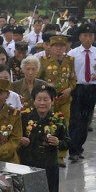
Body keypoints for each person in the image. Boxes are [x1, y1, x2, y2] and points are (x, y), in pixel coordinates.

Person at [19, 85, 69, 192]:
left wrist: (58, 142)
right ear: (34, 101)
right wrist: (20, 141)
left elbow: (67, 142)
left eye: (46, 100)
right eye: (39, 99)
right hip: (28, 164)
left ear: (52, 101)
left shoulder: (58, 120)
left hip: (49, 165)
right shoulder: (25, 117)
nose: (42, 103)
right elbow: (15, 137)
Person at [67, 23, 96, 161]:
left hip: (92, 88)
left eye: (90, 35)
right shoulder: (72, 53)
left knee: (85, 119)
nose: (88, 38)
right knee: (75, 118)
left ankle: (79, 147)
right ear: (80, 37)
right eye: (85, 36)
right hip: (78, 88)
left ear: (94, 36)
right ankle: (73, 149)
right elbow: (69, 73)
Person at [37, 34, 76, 165]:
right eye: (56, 46)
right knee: (50, 124)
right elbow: (39, 80)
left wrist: (69, 89)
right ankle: (48, 148)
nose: (59, 49)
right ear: (51, 47)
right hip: (50, 100)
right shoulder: (44, 61)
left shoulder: (70, 60)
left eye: (61, 46)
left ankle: (61, 155)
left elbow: (73, 79)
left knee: (64, 125)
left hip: (65, 99)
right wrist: (48, 88)